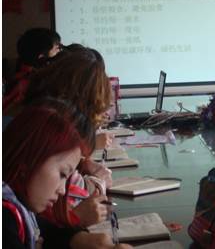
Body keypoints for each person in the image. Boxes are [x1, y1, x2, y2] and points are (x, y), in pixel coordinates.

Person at [3, 98, 132, 249]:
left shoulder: (20, 207)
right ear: (30, 158)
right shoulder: (5, 223)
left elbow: (44, 229)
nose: (62, 190)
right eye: (62, 174)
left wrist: (80, 239)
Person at [3, 28, 62, 111]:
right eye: (57, 47)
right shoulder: (29, 82)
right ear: (41, 56)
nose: (60, 50)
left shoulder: (21, 73)